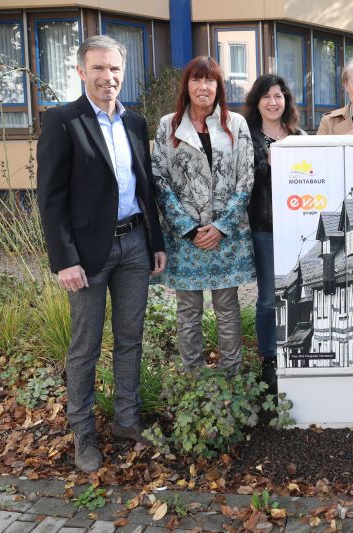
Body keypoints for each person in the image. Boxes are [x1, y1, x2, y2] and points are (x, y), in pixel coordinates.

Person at [37, 35, 167, 474]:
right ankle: (84, 435)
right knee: (85, 347)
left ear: (122, 71)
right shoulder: (62, 121)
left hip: (134, 245)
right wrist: (64, 259)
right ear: (80, 71)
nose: (107, 77)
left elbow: (145, 186)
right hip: (87, 255)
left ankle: (127, 421)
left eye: (114, 68)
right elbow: (51, 198)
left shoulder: (136, 122)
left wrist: (156, 242)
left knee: (130, 339)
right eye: (97, 68)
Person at [151, 56, 254, 378]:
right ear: (188, 85)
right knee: (188, 311)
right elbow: (158, 178)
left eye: (210, 80)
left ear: (218, 87)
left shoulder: (235, 123)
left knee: (227, 309)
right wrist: (189, 228)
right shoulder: (169, 125)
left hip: (226, 235)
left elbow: (247, 177)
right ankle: (193, 376)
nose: (203, 86)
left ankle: (230, 376)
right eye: (197, 79)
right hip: (187, 240)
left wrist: (221, 227)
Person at [243, 74, 306, 394]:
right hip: (265, 229)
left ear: (286, 101)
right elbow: (243, 183)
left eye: (278, 96)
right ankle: (269, 359)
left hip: (298, 229)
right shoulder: (247, 137)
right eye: (266, 96)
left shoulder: (299, 136)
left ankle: (296, 351)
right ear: (257, 102)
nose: (272, 101)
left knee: (296, 294)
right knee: (268, 299)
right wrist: (270, 162)